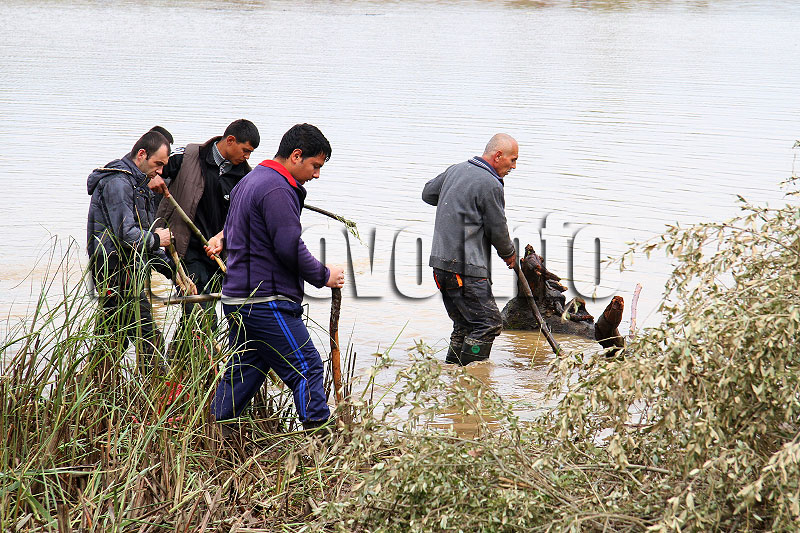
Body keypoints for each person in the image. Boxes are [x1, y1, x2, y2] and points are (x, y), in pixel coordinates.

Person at [209, 123, 345, 431]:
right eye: (315, 165)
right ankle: (320, 443)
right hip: (265, 300)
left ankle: (214, 435)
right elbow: (288, 246)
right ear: (296, 156)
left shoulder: (251, 180)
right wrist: (324, 275)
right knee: (307, 366)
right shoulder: (277, 188)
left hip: (238, 298)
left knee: (243, 372)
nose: (317, 174)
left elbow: (235, 232)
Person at [154, 119, 260, 338]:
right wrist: (154, 178)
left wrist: (225, 240)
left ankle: (181, 360)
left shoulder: (245, 177)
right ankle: (197, 363)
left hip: (218, 254)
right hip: (185, 248)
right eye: (245, 150)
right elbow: (151, 167)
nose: (247, 157)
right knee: (201, 313)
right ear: (230, 140)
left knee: (197, 313)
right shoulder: (189, 156)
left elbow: (246, 220)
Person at [422, 133, 519, 365]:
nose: (514, 166)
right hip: (465, 269)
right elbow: (498, 227)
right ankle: (471, 379)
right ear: (498, 156)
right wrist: (509, 255)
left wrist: (457, 197)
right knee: (488, 324)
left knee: (465, 325)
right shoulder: (490, 183)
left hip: (440, 266)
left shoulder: (456, 170)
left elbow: (428, 194)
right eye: (512, 160)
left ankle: (453, 373)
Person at [86, 130, 175, 373]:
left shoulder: (138, 183)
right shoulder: (118, 182)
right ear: (142, 154)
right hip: (116, 271)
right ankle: (160, 395)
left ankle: (95, 389)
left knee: (113, 339)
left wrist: (174, 272)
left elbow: (142, 237)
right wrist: (158, 239)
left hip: (127, 271)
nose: (160, 172)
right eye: (157, 164)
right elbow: (128, 236)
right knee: (150, 339)